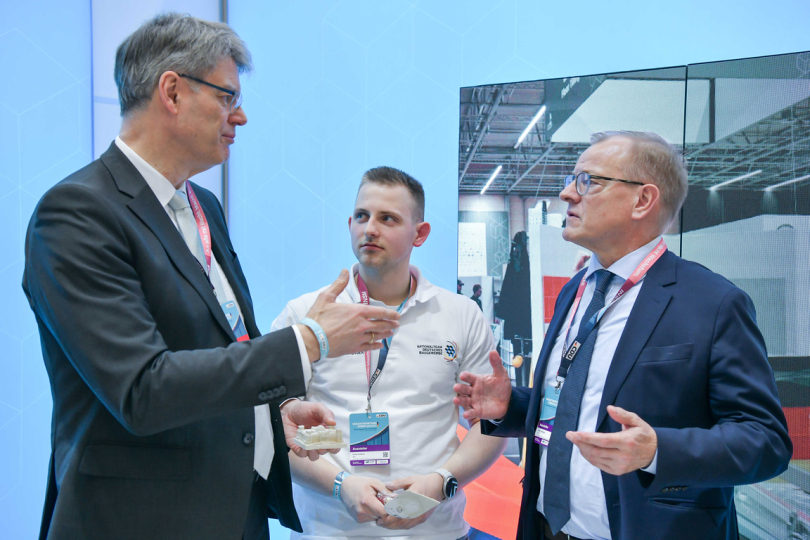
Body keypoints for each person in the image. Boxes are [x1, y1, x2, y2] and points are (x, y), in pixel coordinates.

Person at [22, 14, 400, 540]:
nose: (240, 116)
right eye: (226, 97)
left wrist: (271, 415)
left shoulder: (204, 208)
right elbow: (143, 389)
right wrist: (309, 341)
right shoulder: (77, 213)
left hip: (231, 512)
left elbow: (217, 345)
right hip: (138, 520)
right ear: (172, 92)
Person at [454, 131, 792, 540]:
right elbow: (577, 401)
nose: (566, 194)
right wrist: (512, 406)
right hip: (545, 527)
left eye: (587, 181)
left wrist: (656, 452)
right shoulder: (575, 291)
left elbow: (765, 441)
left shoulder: (714, 303)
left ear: (643, 200)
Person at [272, 166, 507, 539]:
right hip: (328, 530)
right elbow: (274, 428)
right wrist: (341, 485)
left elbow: (490, 426)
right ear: (350, 223)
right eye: (362, 216)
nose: (370, 228)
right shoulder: (305, 314)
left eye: (388, 219)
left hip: (436, 531)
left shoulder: (460, 315)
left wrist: (440, 482)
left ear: (420, 233)